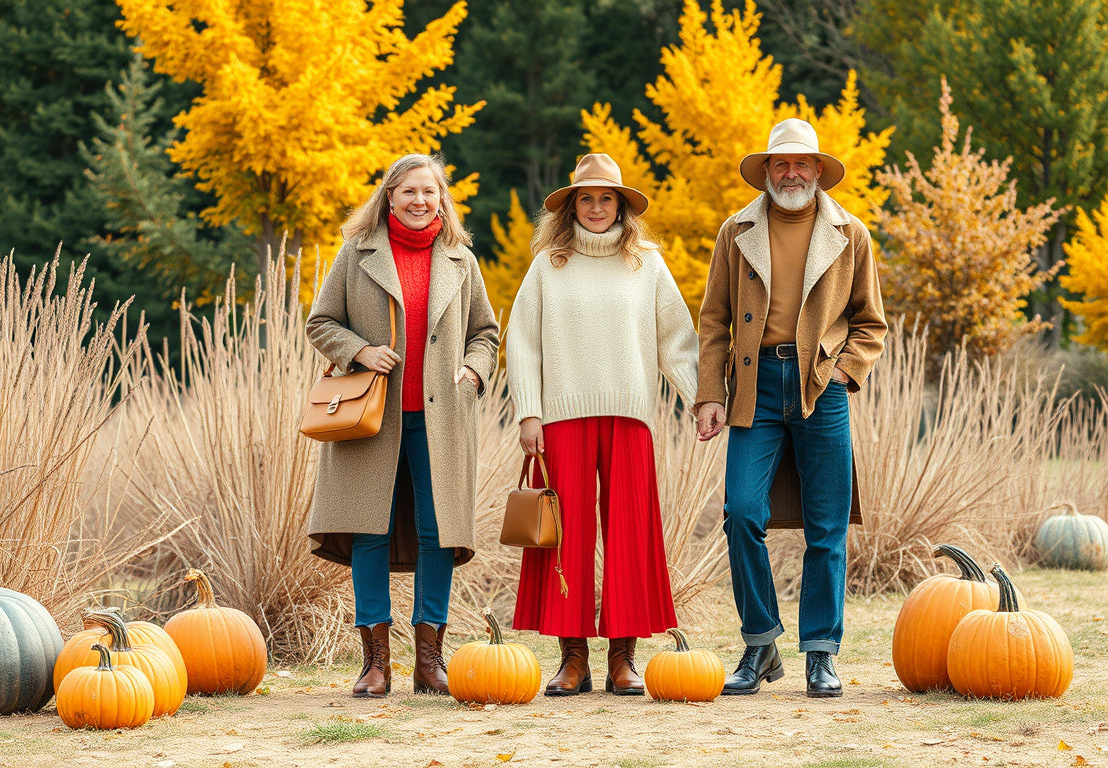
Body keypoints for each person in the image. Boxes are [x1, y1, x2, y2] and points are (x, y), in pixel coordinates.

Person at [695, 119, 888, 698]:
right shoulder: (737, 230)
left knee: (827, 525)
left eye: (802, 163)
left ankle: (821, 654)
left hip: (818, 385)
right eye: (781, 164)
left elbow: (870, 322)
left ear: (819, 170)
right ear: (768, 171)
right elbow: (713, 319)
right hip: (754, 384)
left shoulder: (850, 233)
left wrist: (842, 373)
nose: (792, 173)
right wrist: (710, 393)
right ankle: (760, 642)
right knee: (741, 511)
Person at [306, 153, 499, 698]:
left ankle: (430, 662)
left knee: (440, 532)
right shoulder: (357, 254)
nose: (419, 202)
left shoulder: (461, 259)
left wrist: (473, 369)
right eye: (409, 192)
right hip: (371, 417)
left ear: (442, 199)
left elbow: (486, 332)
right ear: (389, 196)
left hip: (443, 418)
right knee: (371, 527)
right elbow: (320, 322)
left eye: (429, 193)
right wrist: (360, 350)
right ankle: (374, 665)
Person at [506, 153, 698, 696]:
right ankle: (573, 660)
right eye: (585, 199)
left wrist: (699, 399)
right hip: (561, 417)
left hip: (630, 415)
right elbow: (522, 342)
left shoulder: (647, 263)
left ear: (621, 206)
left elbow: (676, 340)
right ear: (571, 207)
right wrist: (529, 411)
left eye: (605, 198)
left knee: (631, 535)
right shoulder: (548, 265)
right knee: (565, 538)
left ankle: (623, 658)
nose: (595, 207)